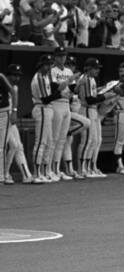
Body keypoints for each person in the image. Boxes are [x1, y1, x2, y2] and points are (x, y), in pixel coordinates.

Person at [76, 57, 117, 178]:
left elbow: (92, 96)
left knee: (93, 140)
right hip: (87, 109)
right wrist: (105, 96)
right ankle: (81, 169)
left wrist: (102, 91)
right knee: (87, 140)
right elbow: (89, 100)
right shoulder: (87, 79)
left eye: (98, 68)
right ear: (88, 68)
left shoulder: (91, 79)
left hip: (92, 110)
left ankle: (88, 168)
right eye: (95, 68)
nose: (97, 70)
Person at [30, 54, 58, 183]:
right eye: (46, 64)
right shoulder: (39, 77)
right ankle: (36, 173)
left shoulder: (46, 77)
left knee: (49, 141)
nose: (48, 67)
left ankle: (45, 172)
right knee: (41, 141)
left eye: (50, 64)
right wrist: (59, 93)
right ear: (41, 65)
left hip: (47, 109)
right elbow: (45, 99)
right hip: (41, 108)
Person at [49, 46, 75, 181]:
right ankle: (49, 169)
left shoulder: (69, 71)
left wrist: (70, 87)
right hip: (56, 104)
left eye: (63, 55)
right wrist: (67, 84)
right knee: (54, 138)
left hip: (66, 105)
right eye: (59, 55)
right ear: (55, 57)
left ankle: (57, 169)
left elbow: (73, 89)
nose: (62, 58)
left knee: (62, 139)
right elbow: (54, 89)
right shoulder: (52, 70)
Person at [0, 64, 18, 183]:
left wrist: (14, 111)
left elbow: (13, 92)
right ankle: (5, 173)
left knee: (1, 146)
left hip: (4, 112)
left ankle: (2, 175)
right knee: (12, 145)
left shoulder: (0, 76)